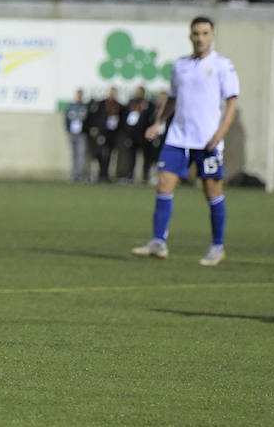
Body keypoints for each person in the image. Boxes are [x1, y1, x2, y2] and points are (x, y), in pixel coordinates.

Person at [132, 17, 239, 266]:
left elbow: (232, 102)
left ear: (213, 36)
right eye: (196, 33)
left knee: (212, 191)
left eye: (205, 33)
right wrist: (159, 123)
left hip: (207, 140)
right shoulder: (180, 65)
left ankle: (217, 246)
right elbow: (172, 98)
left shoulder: (222, 65)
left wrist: (220, 134)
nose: (200, 38)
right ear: (190, 36)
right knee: (163, 184)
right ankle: (158, 242)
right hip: (178, 138)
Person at [116, 85, 154, 183]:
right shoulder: (130, 103)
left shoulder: (148, 105)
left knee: (146, 156)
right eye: (137, 92)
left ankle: (145, 175)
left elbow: (151, 119)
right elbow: (124, 119)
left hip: (143, 134)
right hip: (132, 134)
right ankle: (130, 175)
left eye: (140, 92)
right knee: (131, 156)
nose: (138, 94)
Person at [86, 88, 123, 183]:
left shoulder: (118, 105)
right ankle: (100, 172)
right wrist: (94, 127)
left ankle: (105, 174)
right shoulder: (101, 104)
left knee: (109, 154)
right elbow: (94, 116)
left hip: (112, 133)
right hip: (102, 132)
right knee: (99, 152)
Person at [63, 88, 90, 183]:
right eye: (78, 95)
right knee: (73, 154)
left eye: (80, 95)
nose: (79, 97)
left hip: (81, 134)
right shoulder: (70, 107)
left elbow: (88, 120)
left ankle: (80, 174)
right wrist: (67, 129)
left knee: (81, 154)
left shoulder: (85, 107)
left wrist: (85, 130)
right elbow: (66, 119)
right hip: (72, 133)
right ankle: (74, 174)